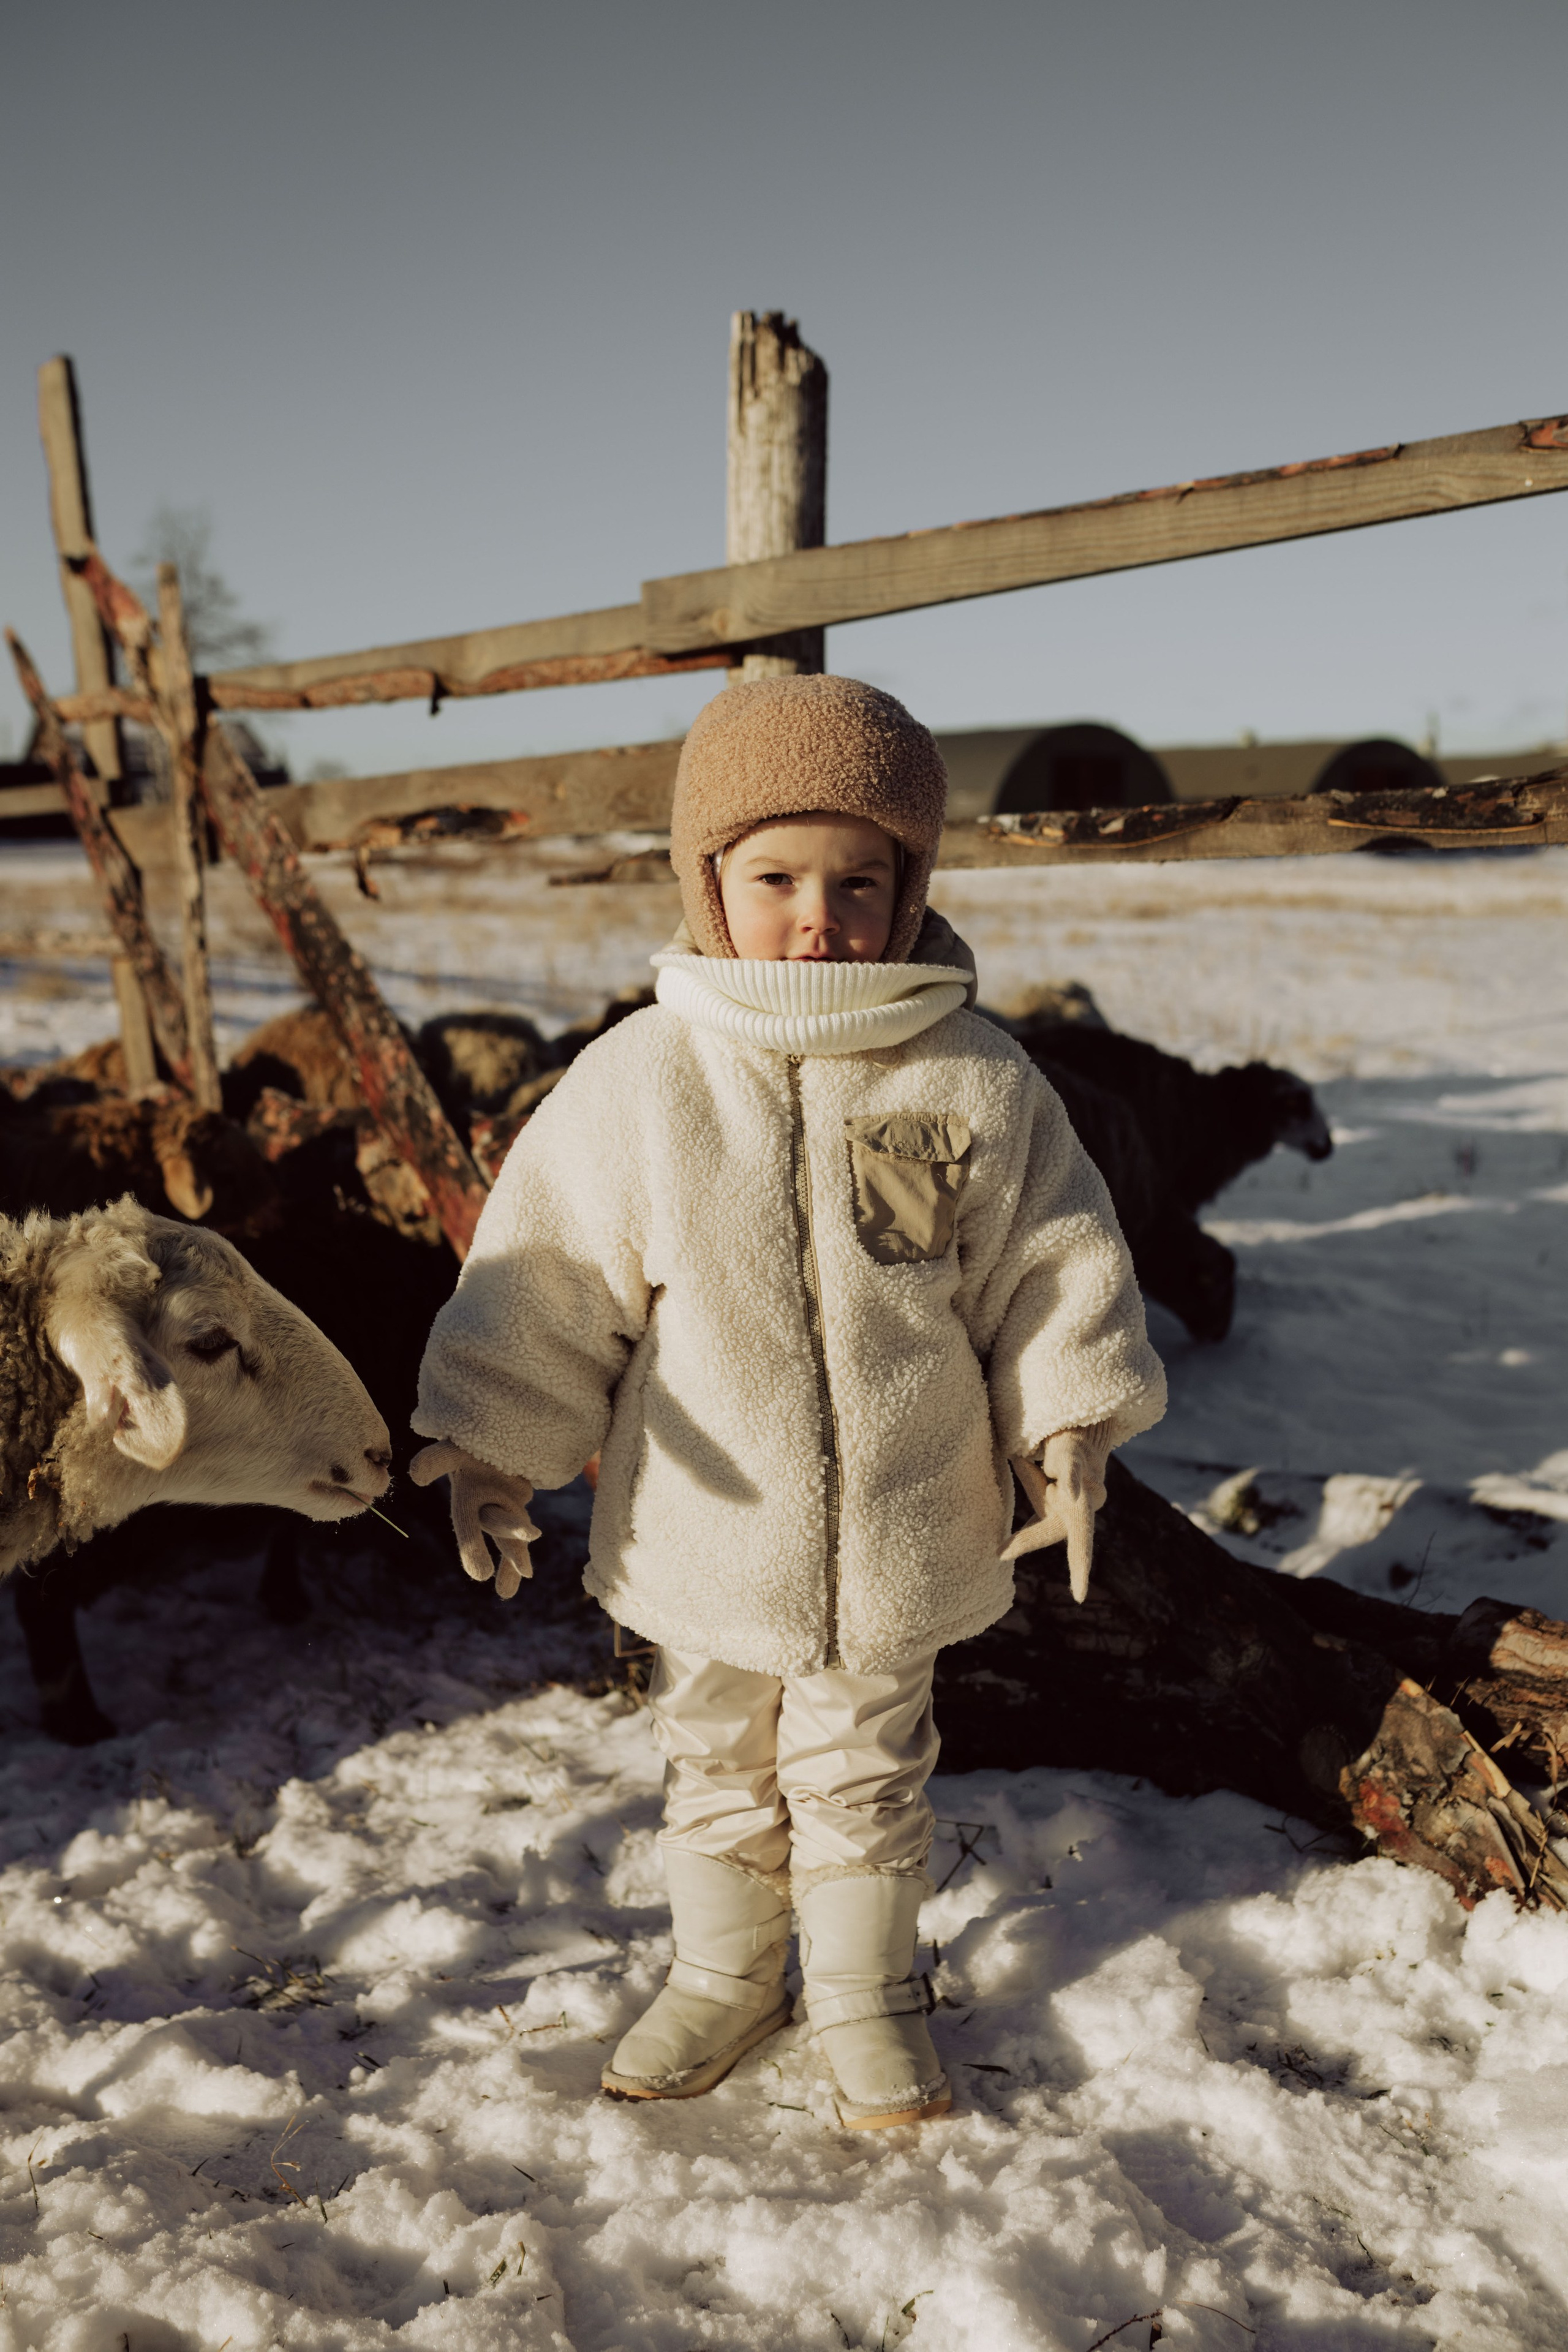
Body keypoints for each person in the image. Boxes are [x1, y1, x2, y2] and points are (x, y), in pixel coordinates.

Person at [411, 674, 1165, 2130]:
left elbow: (1049, 1266)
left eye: (857, 881)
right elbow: (545, 1270)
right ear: (707, 885)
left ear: (909, 886)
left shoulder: (969, 1078)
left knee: (867, 1769)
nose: (817, 917)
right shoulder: (643, 1080)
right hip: (707, 1535)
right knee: (712, 1761)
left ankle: (868, 1997)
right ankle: (719, 1971)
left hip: (899, 1528)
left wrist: (1065, 1426)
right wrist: (488, 1445)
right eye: (773, 879)